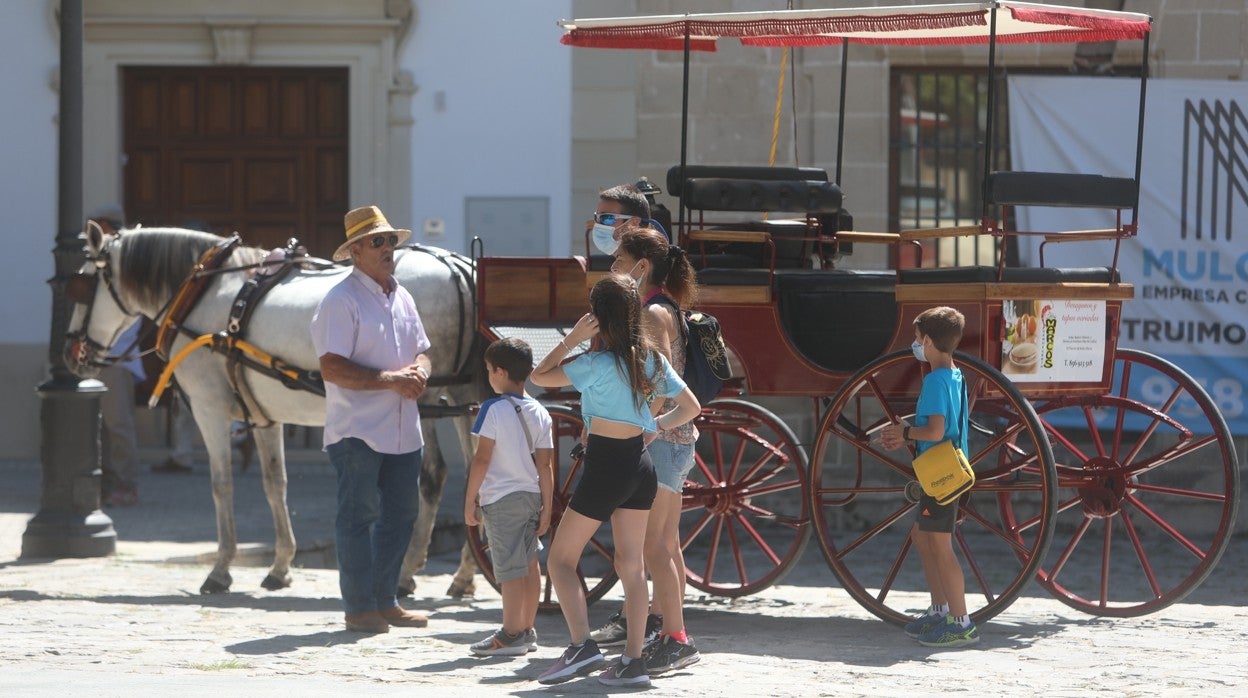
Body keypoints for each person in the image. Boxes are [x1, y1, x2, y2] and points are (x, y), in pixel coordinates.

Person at [530, 274, 702, 687]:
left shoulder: (592, 364)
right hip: (640, 466)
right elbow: (691, 406)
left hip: (606, 466)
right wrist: (653, 427)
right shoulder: (651, 360)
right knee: (631, 564)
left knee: (559, 560)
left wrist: (572, 338)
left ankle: (581, 647)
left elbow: (539, 376)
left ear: (597, 318)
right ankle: (632, 660)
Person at [310, 205, 432, 634]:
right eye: (377, 242)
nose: (388, 248)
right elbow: (331, 368)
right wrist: (392, 380)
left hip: (403, 430)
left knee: (401, 516)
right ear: (356, 251)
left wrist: (419, 371)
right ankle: (359, 608)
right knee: (358, 518)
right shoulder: (340, 301)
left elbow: (421, 350)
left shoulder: (403, 295)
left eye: (390, 240)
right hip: (358, 431)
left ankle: (385, 601)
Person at [589, 228, 702, 674]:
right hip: (677, 440)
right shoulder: (667, 306)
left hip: (665, 440)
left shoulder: (652, 312)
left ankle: (676, 637)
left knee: (656, 549)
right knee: (665, 547)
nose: (613, 266)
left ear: (641, 266)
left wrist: (643, 427)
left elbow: (657, 380)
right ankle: (672, 634)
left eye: (620, 260)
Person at [879, 306, 979, 648]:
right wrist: (906, 429)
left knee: (940, 545)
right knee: (923, 537)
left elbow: (935, 431)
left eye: (918, 339)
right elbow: (944, 423)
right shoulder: (954, 374)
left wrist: (906, 434)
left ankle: (960, 621)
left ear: (930, 342)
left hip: (940, 476)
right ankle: (939, 611)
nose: (915, 344)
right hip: (949, 470)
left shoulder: (934, 380)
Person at [463, 338, 554, 657]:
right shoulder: (542, 412)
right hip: (530, 497)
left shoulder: (492, 409)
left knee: (509, 570)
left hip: (501, 500)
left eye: (488, 370)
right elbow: (545, 464)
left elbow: (482, 458)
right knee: (529, 564)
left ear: (500, 372)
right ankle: (527, 629)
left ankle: (510, 633)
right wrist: (548, 507)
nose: (489, 375)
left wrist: (470, 498)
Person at [99, 319, 145, 507]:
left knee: (118, 426)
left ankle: (126, 486)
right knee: (101, 429)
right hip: (98, 360)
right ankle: (106, 484)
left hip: (116, 360)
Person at [589, 183, 664, 256]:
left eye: (607, 218)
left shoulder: (649, 264)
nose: (598, 225)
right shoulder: (623, 265)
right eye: (596, 217)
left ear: (634, 223)